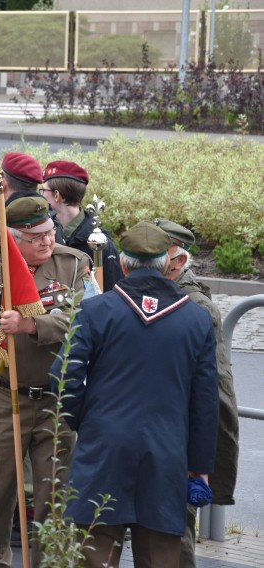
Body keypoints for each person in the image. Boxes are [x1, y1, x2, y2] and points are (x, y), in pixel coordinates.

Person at [50, 221, 219, 568]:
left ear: (124, 264)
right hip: (167, 454)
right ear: (169, 264)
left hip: (104, 450)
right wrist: (200, 467)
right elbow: (205, 403)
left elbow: (64, 378)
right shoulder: (196, 320)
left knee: (94, 555)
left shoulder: (95, 311)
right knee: (160, 558)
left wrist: (86, 422)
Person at [0, 196, 92, 567]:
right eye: (36, 236)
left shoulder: (73, 264)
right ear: (13, 239)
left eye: (51, 231)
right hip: (2, 393)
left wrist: (32, 324)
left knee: (53, 490)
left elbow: (86, 320)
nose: (47, 241)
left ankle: (48, 561)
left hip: (58, 398)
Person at [154, 219, 240, 568]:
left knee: (173, 535)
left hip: (179, 438)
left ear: (177, 261)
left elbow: (218, 389)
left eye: (157, 255)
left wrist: (209, 463)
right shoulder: (151, 291)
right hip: (150, 433)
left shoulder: (197, 307)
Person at [41, 160, 123, 289]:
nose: (41, 196)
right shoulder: (45, 234)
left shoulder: (101, 244)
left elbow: (112, 293)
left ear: (56, 195)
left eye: (43, 190)